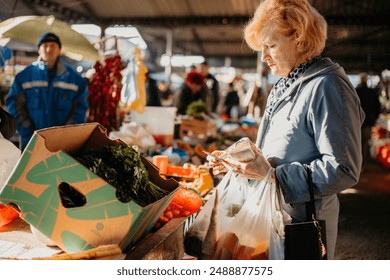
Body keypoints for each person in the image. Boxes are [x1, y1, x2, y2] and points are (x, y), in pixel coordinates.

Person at [207, 0, 364, 260]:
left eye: (270, 46)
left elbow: (343, 169)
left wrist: (274, 176)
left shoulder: (328, 86)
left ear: (300, 40)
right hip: (273, 216)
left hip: (303, 223)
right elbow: (279, 150)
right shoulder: (285, 85)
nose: (264, 56)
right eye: (262, 47)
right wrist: (241, 162)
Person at [6, 32, 89, 150]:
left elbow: (80, 110)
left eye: (53, 46)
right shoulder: (24, 77)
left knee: (61, 169)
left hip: (63, 144)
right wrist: (26, 131)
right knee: (32, 169)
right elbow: (14, 105)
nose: (49, 49)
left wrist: (67, 136)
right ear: (39, 50)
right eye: (45, 45)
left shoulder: (75, 80)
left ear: (59, 50)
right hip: (31, 141)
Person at [355, 73, 381, 167]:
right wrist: (374, 118)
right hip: (368, 122)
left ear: (359, 81)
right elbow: (378, 107)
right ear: (366, 81)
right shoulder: (372, 92)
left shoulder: (355, 91)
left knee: (356, 143)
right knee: (365, 142)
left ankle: (357, 163)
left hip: (356, 123)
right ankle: (364, 162)